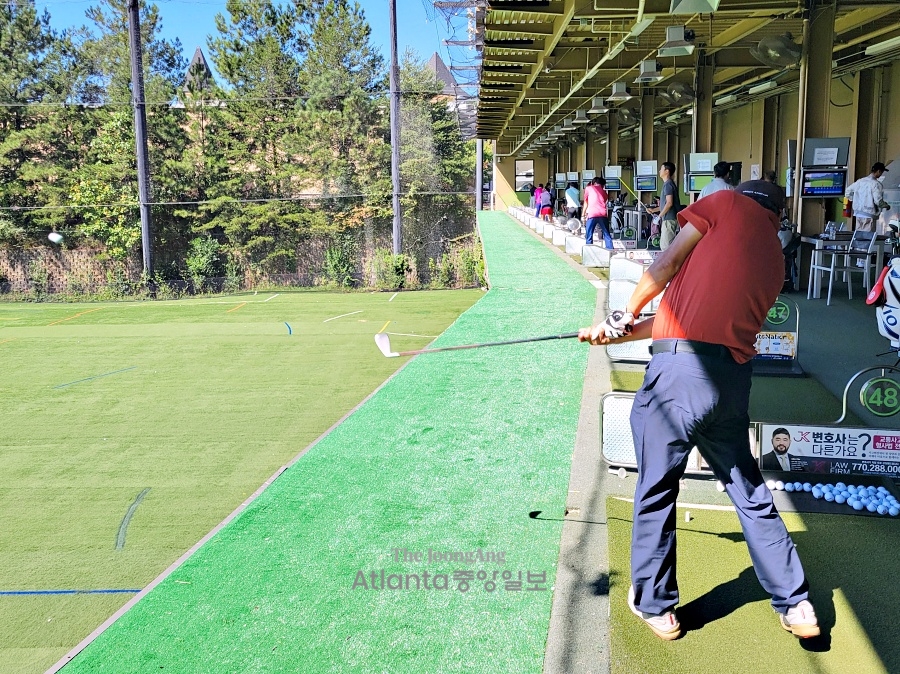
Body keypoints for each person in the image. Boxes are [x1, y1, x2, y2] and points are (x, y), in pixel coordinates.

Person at [578, 180, 818, 642]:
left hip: (677, 380)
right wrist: (610, 331)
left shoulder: (725, 203)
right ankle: (797, 603)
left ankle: (656, 605)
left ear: (742, 197)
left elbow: (665, 263)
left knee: (655, 490)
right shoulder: (774, 259)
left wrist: (622, 310)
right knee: (749, 493)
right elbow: (677, 322)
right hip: (727, 385)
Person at [846, 162, 890, 232]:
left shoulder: (860, 181)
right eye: (881, 172)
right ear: (878, 171)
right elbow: (878, 201)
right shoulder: (876, 184)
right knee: (868, 239)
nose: (881, 174)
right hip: (869, 215)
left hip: (858, 214)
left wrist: (854, 200)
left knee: (859, 237)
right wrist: (886, 206)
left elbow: (848, 191)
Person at [649, 162, 682, 250]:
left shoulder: (668, 184)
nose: (659, 171)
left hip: (669, 220)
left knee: (666, 247)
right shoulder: (667, 184)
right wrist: (653, 210)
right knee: (664, 245)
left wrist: (659, 217)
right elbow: (665, 205)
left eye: (661, 169)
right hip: (667, 219)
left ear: (667, 171)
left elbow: (669, 203)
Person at [582, 176, 612, 248]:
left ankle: (589, 249)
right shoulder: (604, 192)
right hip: (603, 214)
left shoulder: (588, 188)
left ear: (594, 183)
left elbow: (586, 203)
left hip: (592, 214)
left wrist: (583, 214)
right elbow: (604, 200)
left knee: (589, 234)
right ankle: (610, 250)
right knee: (607, 234)